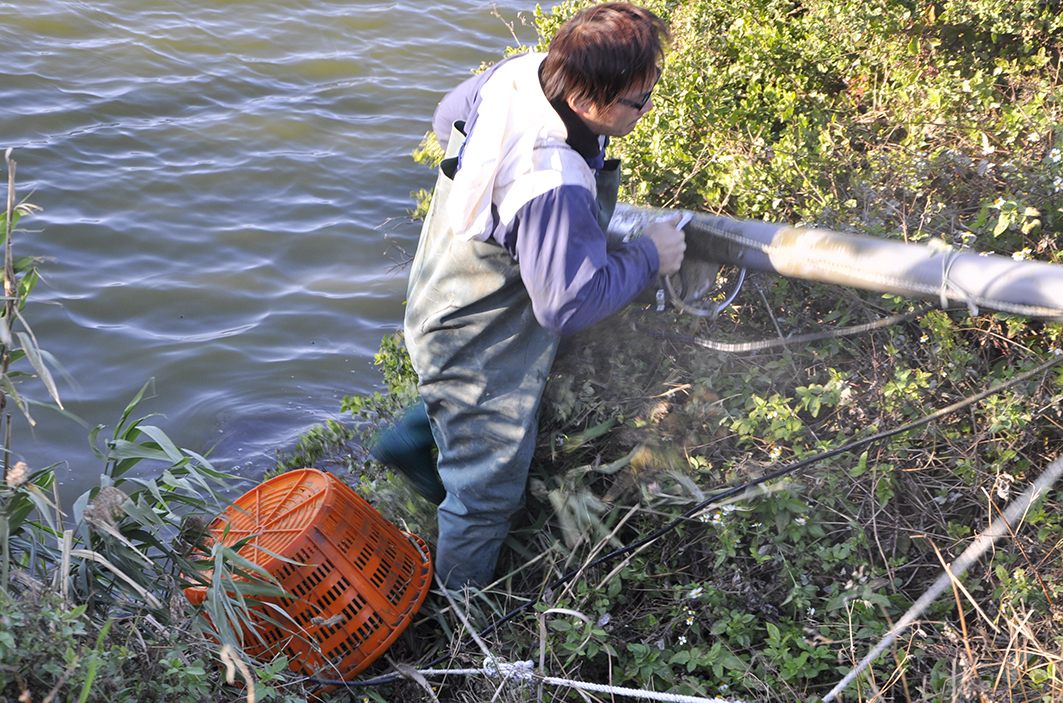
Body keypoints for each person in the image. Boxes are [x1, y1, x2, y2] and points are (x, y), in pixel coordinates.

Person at [375, 2, 685, 590]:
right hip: (479, 332)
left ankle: (413, 441)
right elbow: (566, 306)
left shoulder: (523, 72)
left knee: (457, 395)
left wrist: (503, 215)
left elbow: (446, 120)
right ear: (585, 99)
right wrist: (650, 255)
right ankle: (462, 617)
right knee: (485, 498)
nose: (646, 109)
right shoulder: (552, 183)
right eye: (638, 101)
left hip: (441, 290)